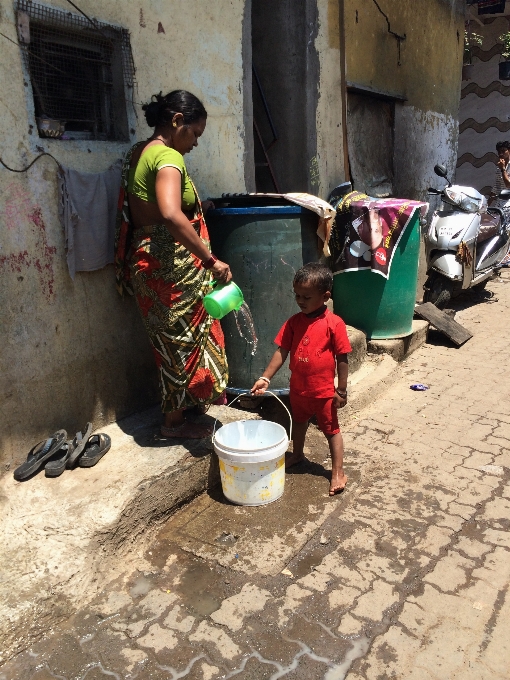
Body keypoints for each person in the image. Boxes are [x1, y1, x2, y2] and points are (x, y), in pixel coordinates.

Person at [114, 90, 232, 438]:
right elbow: (169, 213)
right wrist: (211, 260)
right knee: (181, 344)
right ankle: (173, 424)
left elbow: (152, 209)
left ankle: (181, 413)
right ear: (177, 121)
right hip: (170, 264)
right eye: (194, 134)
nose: (195, 143)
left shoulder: (140, 152)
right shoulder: (168, 157)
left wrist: (202, 207)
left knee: (171, 343)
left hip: (146, 259)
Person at [251, 263, 351, 495]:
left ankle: (338, 471)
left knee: (331, 430)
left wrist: (342, 390)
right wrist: (265, 378)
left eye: (306, 296)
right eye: (297, 295)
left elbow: (342, 357)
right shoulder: (294, 322)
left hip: (323, 392)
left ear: (325, 296)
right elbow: (281, 351)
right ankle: (297, 454)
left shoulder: (334, 323)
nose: (300, 301)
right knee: (298, 422)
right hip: (298, 389)